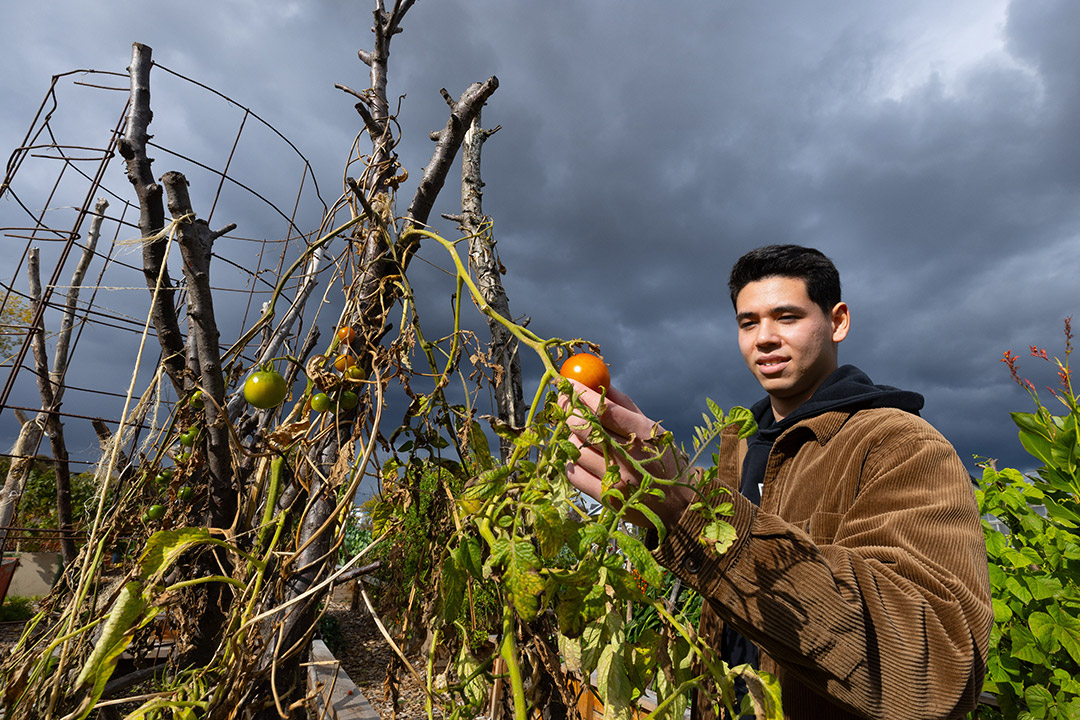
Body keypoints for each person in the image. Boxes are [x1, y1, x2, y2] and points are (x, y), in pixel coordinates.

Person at [563, 245, 992, 720]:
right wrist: (665, 499)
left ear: (838, 322)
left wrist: (690, 508)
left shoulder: (900, 444)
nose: (764, 338)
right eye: (748, 322)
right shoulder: (740, 445)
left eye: (786, 316)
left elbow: (937, 665)